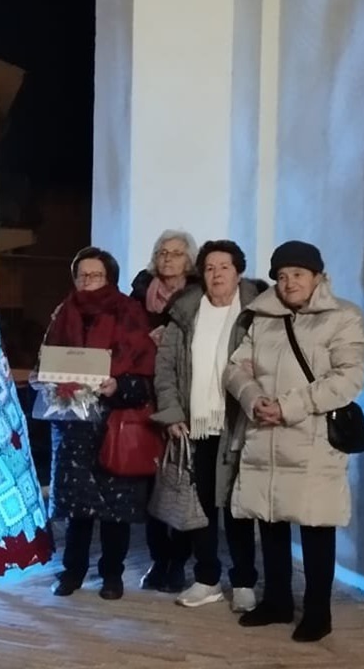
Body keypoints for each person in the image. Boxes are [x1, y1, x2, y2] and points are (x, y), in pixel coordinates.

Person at [226, 241, 364, 642]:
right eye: (282, 276)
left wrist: (287, 407)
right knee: (269, 519)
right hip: (264, 432)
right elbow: (237, 368)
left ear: (318, 277)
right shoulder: (263, 318)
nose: (289, 283)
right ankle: (277, 601)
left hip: (313, 437)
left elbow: (348, 378)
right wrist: (254, 400)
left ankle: (318, 612)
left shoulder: (344, 318)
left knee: (315, 524)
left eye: (298, 274)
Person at [153, 240, 264, 612]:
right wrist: (171, 414)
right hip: (195, 425)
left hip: (239, 425)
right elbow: (165, 369)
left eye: (225, 267)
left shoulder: (257, 313)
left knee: (237, 507)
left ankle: (245, 581)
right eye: (211, 267)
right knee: (199, 509)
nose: (217, 274)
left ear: (238, 272)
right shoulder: (185, 312)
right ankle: (207, 578)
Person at [42, 247, 156, 600]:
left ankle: (112, 575)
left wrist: (118, 386)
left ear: (110, 279)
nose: (88, 282)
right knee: (77, 508)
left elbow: (146, 375)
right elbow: (48, 359)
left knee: (114, 510)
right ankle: (72, 572)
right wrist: (49, 379)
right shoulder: (63, 313)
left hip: (114, 424)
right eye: (82, 275)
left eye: (96, 275)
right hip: (74, 424)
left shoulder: (129, 313)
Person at [130, 229, 198, 593]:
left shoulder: (200, 299)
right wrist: (146, 340)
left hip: (186, 399)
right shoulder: (140, 297)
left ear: (189, 260)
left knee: (184, 484)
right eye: (162, 252)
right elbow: (125, 340)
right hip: (147, 400)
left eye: (176, 253)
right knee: (153, 486)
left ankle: (179, 562)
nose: (169, 259)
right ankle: (159, 560)